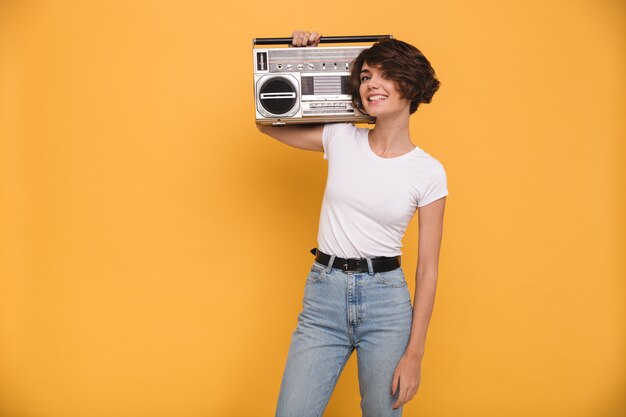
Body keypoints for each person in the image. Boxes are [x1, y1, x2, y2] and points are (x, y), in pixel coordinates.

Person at [257, 30, 448, 417]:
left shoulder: (428, 172)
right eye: (364, 77)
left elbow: (428, 269)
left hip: (386, 305)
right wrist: (299, 61)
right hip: (323, 297)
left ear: (410, 85)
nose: (371, 85)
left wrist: (414, 353)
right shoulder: (341, 138)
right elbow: (267, 123)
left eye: (383, 75)